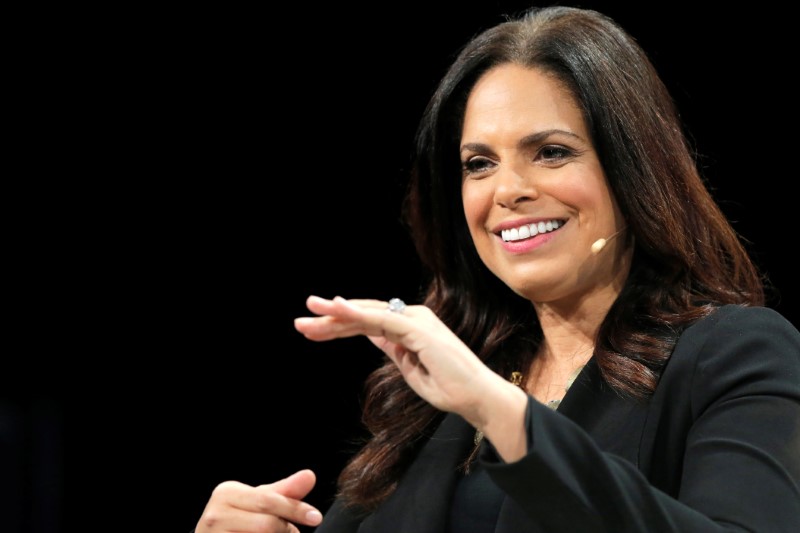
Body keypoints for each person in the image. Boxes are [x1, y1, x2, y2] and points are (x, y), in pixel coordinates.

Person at [194, 5, 800, 532]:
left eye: (552, 152)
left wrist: (500, 412)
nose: (506, 190)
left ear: (630, 170)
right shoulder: (444, 388)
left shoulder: (737, 353)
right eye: (479, 164)